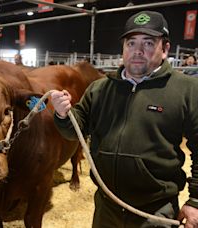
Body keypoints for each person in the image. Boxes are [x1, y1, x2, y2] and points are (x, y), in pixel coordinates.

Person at [51, 11, 198, 227]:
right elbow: (75, 132)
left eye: (148, 43)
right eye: (131, 43)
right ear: (123, 48)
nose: (137, 51)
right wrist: (63, 115)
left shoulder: (186, 89)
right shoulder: (99, 89)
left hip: (156, 211)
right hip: (106, 205)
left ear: (165, 49)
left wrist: (195, 200)